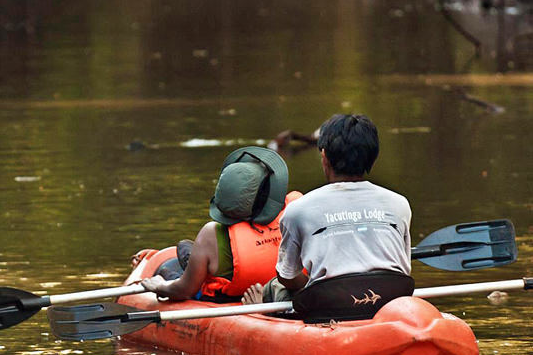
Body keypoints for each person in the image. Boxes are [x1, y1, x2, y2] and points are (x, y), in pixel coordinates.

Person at [247, 113, 412, 310]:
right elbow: (403, 268)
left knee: (274, 286)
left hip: (329, 307)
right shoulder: (399, 203)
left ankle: (261, 313)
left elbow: (287, 276)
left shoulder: (298, 210)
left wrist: (314, 283)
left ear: (324, 157)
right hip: (389, 303)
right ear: (373, 159)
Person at [140, 147, 301, 301]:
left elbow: (185, 290)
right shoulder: (297, 210)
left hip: (227, 297)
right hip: (276, 292)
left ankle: (179, 269)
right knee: (184, 249)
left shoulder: (210, 234)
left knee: (172, 263)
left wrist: (161, 286)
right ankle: (188, 260)